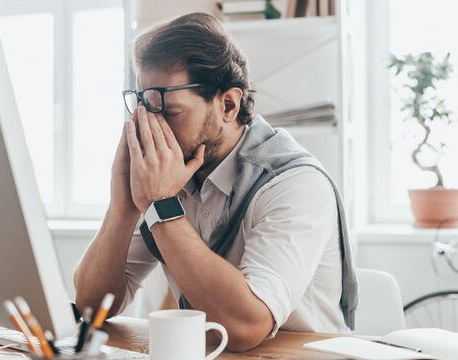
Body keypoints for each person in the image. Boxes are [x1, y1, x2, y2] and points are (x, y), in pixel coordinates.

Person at [74, 12, 357, 352]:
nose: (153, 128)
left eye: (170, 112)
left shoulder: (296, 184)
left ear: (228, 104)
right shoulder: (171, 177)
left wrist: (162, 206)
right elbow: (90, 309)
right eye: (147, 109)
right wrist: (122, 207)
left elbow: (245, 327)